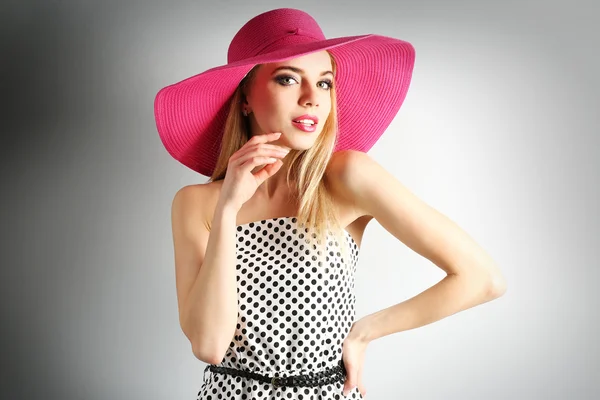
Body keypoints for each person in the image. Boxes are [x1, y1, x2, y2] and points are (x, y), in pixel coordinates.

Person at [154, 8, 507, 400]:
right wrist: (228, 210)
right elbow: (209, 345)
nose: (311, 99)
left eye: (324, 83)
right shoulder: (195, 204)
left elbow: (482, 278)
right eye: (288, 79)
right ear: (245, 99)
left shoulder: (347, 178)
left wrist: (366, 331)